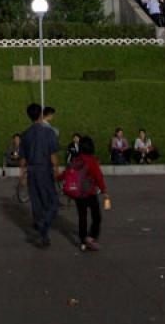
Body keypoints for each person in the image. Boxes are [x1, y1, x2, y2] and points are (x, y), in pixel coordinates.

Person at [20, 104, 61, 246]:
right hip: (44, 170)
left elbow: (23, 159)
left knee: (37, 203)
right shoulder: (49, 133)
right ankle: (44, 225)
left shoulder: (25, 134)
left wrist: (22, 176)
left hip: (31, 171)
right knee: (53, 203)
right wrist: (56, 170)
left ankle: (41, 231)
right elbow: (53, 155)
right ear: (41, 115)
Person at [65, 136, 108, 252]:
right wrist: (104, 191)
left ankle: (83, 240)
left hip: (78, 194)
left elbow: (67, 173)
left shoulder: (76, 160)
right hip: (90, 193)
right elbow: (98, 177)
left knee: (82, 217)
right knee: (96, 217)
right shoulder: (92, 161)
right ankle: (92, 237)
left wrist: (57, 177)